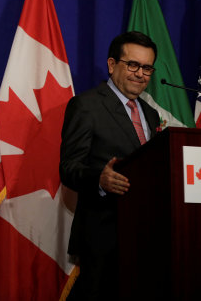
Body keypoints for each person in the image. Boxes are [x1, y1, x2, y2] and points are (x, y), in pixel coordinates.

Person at [59, 31, 161, 300]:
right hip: (102, 235)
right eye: (133, 65)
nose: (140, 74)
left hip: (145, 234)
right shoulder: (86, 106)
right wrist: (99, 180)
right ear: (112, 65)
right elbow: (69, 168)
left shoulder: (150, 114)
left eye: (147, 68)